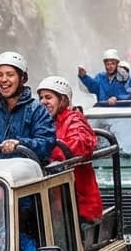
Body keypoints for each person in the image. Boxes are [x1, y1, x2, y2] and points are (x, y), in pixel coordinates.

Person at [37, 76, 103, 223]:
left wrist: (44, 153)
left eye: (49, 97)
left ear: (63, 100)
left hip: (77, 203)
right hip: (54, 199)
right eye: (41, 98)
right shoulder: (43, 123)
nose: (43, 102)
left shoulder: (75, 120)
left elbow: (78, 145)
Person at [0, 51, 56, 161]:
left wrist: (20, 143)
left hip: (27, 172)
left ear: (22, 78)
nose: (4, 79)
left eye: (10, 75)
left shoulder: (37, 109)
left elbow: (46, 142)